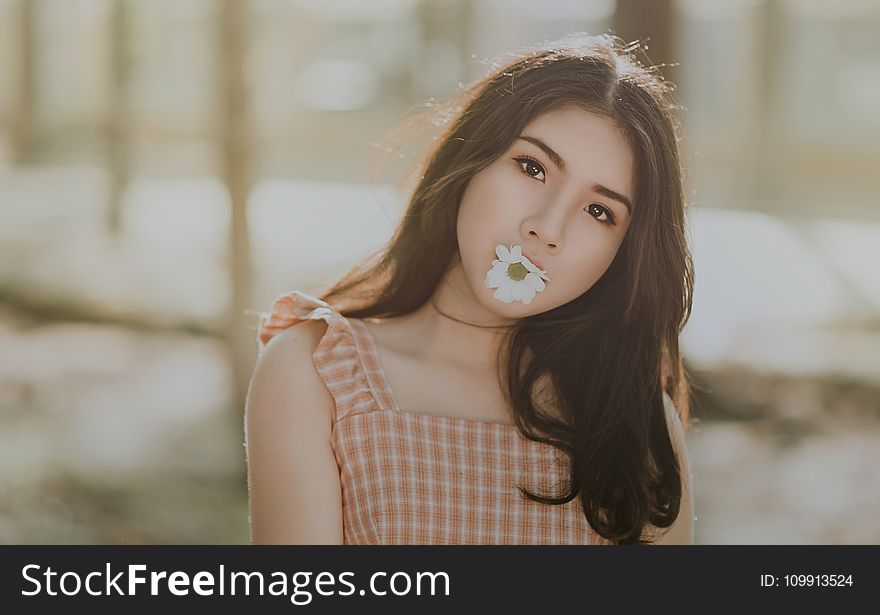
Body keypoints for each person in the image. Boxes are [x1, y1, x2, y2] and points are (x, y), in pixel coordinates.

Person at [245, 32, 695, 545]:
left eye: (600, 211)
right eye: (532, 168)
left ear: (624, 255)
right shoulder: (318, 372)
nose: (547, 228)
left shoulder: (634, 422)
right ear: (470, 160)